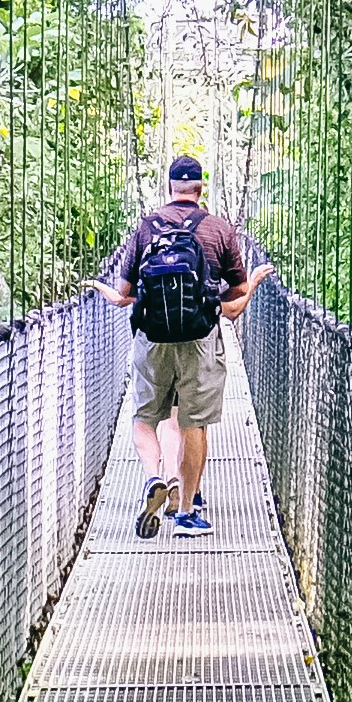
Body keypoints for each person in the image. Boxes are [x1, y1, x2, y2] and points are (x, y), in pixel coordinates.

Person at [92, 153, 262, 536]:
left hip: (152, 338)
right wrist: (251, 284)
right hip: (199, 338)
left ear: (169, 187)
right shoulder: (219, 230)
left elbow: (125, 291)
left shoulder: (146, 227)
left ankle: (155, 477)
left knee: (145, 418)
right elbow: (234, 299)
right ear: (201, 187)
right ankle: (187, 510)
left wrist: (116, 296)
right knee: (193, 422)